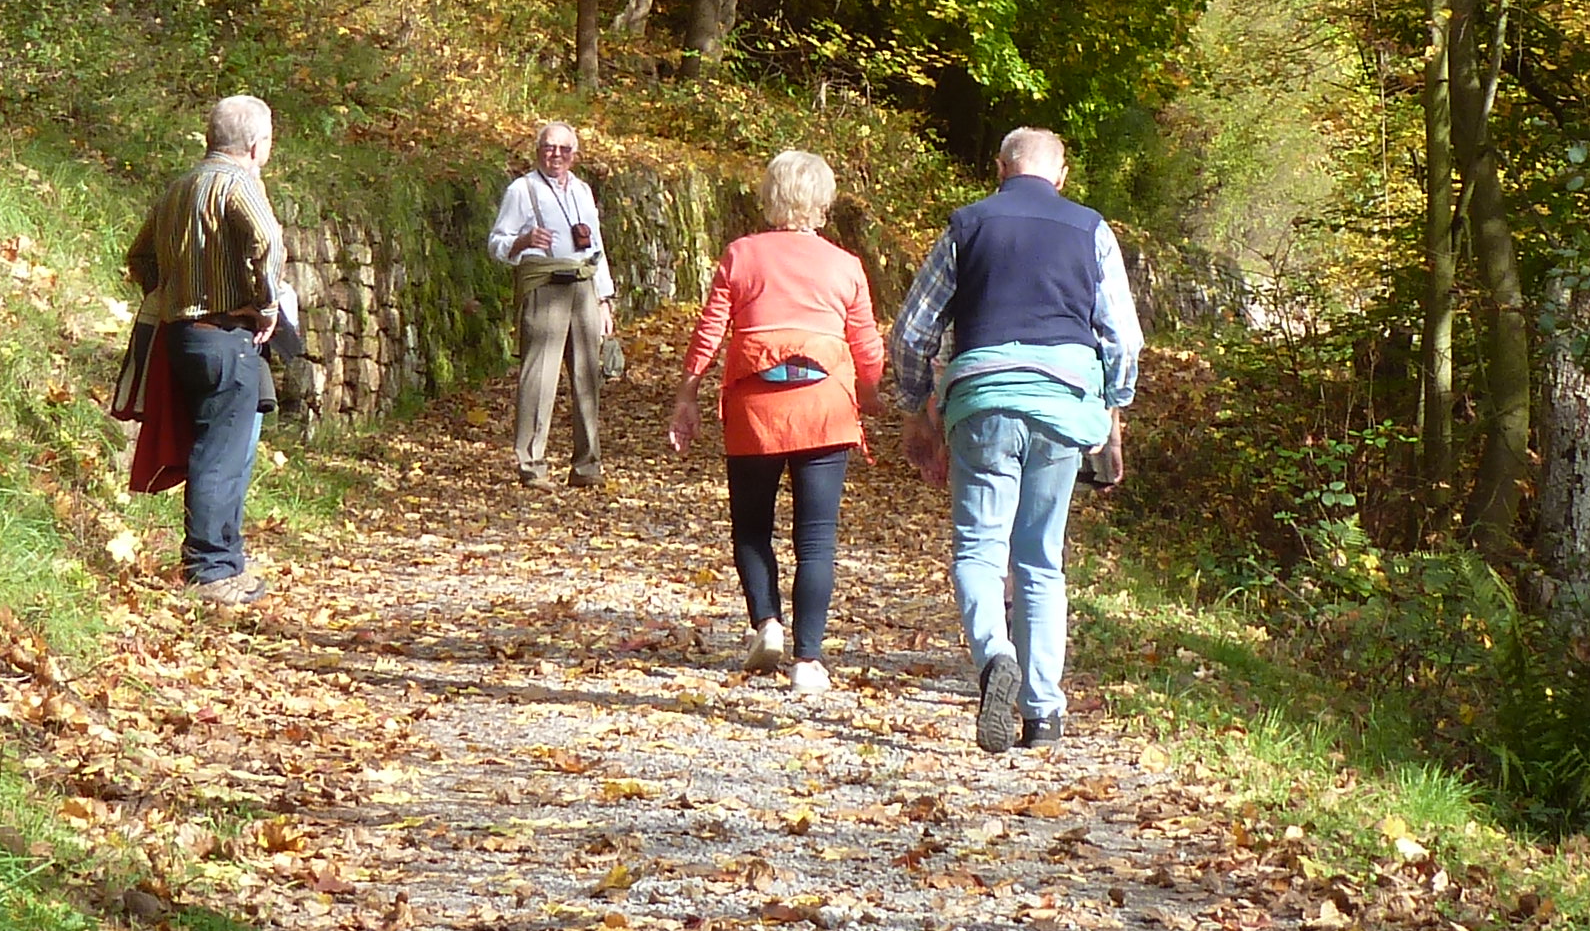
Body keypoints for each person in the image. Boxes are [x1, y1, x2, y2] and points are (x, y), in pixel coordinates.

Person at [889, 125, 1142, 758]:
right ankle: (1045, 710)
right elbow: (1123, 339)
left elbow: (911, 332)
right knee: (1039, 556)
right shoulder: (1092, 230)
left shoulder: (967, 226)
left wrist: (916, 406)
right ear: (1061, 177)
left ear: (1000, 168)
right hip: (1062, 405)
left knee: (979, 548)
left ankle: (994, 655)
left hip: (981, 401)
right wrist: (1114, 412)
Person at [665, 149, 887, 700]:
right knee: (816, 540)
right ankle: (808, 661)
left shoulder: (741, 255)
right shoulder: (845, 265)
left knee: (752, 528)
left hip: (755, 409)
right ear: (823, 202)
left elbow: (710, 331)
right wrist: (874, 397)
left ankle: (766, 623)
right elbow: (867, 349)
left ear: (769, 196)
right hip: (824, 408)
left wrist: (686, 396)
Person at [111, 94, 287, 603]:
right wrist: (266, 304)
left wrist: (169, 294)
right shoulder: (238, 183)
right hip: (225, 337)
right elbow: (268, 241)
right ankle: (211, 570)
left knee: (219, 448)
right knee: (221, 453)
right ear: (256, 145)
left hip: (181, 336)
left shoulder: (179, 188)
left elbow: (140, 255)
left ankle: (229, 564)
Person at [488, 119, 615, 487]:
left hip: (583, 286)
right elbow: (496, 243)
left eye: (563, 149)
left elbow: (597, 248)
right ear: (538, 151)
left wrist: (604, 298)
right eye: (549, 147)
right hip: (544, 285)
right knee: (538, 377)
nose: (555, 155)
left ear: (574, 155)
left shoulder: (582, 191)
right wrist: (522, 241)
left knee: (587, 376)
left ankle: (587, 466)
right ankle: (531, 464)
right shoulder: (521, 190)